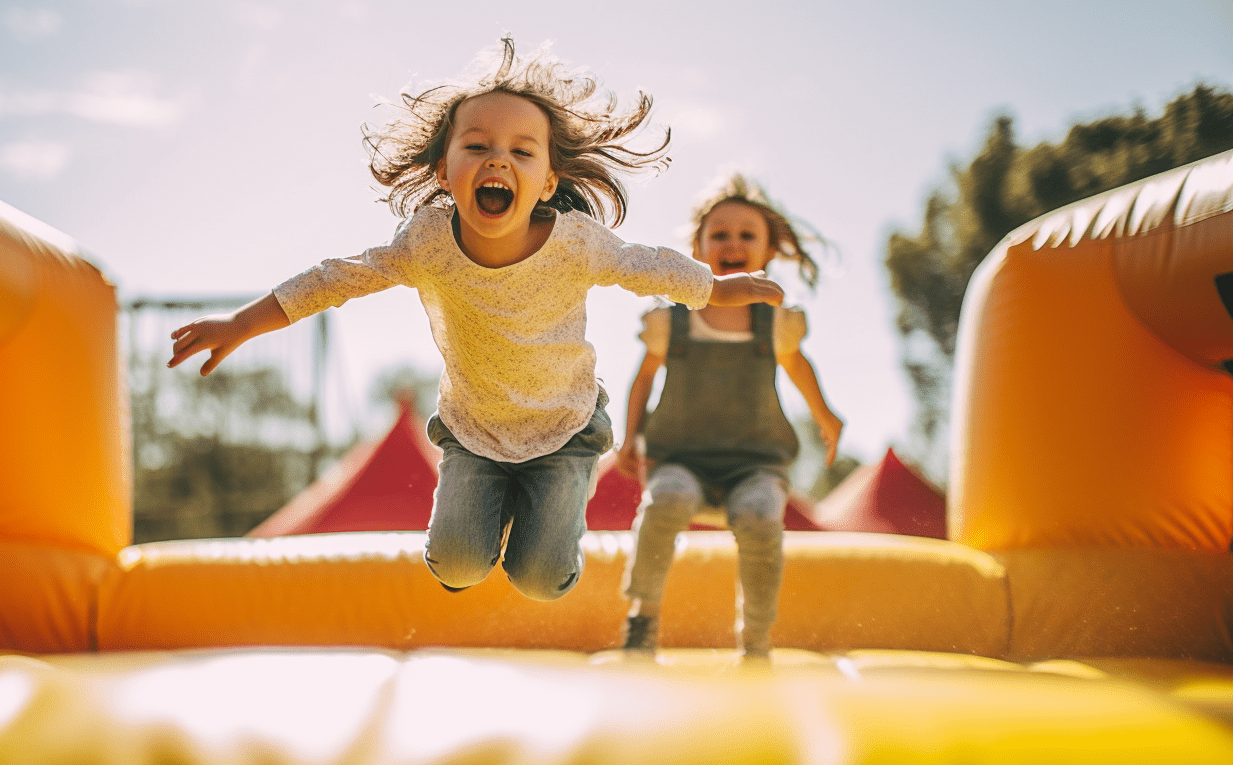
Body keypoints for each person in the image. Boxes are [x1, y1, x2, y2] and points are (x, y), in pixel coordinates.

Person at [168, 40, 784, 601]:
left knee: (540, 580)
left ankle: (551, 521)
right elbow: (338, 278)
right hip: (474, 432)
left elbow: (642, 265)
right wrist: (242, 323)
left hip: (564, 429)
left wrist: (719, 288)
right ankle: (488, 515)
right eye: (477, 146)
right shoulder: (428, 241)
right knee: (459, 565)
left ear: (547, 182)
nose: (498, 161)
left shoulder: (574, 243)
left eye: (521, 151)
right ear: (444, 171)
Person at [614, 173, 842, 656]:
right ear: (698, 249)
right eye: (719, 234)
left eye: (746, 235)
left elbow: (798, 366)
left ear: (766, 253)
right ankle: (642, 620)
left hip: (755, 461)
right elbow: (643, 377)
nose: (732, 243)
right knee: (665, 502)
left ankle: (756, 641)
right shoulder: (670, 317)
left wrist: (826, 415)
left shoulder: (778, 320)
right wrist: (629, 437)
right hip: (681, 458)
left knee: (760, 516)